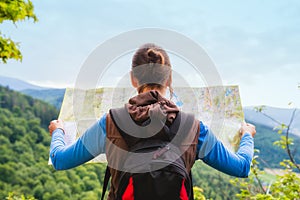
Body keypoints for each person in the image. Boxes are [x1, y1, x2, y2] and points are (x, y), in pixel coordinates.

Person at [49, 43, 256, 200]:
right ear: (169, 79)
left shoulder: (111, 122)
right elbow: (241, 167)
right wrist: (246, 135)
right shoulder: (194, 128)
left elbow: (60, 160)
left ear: (133, 79)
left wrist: (58, 131)